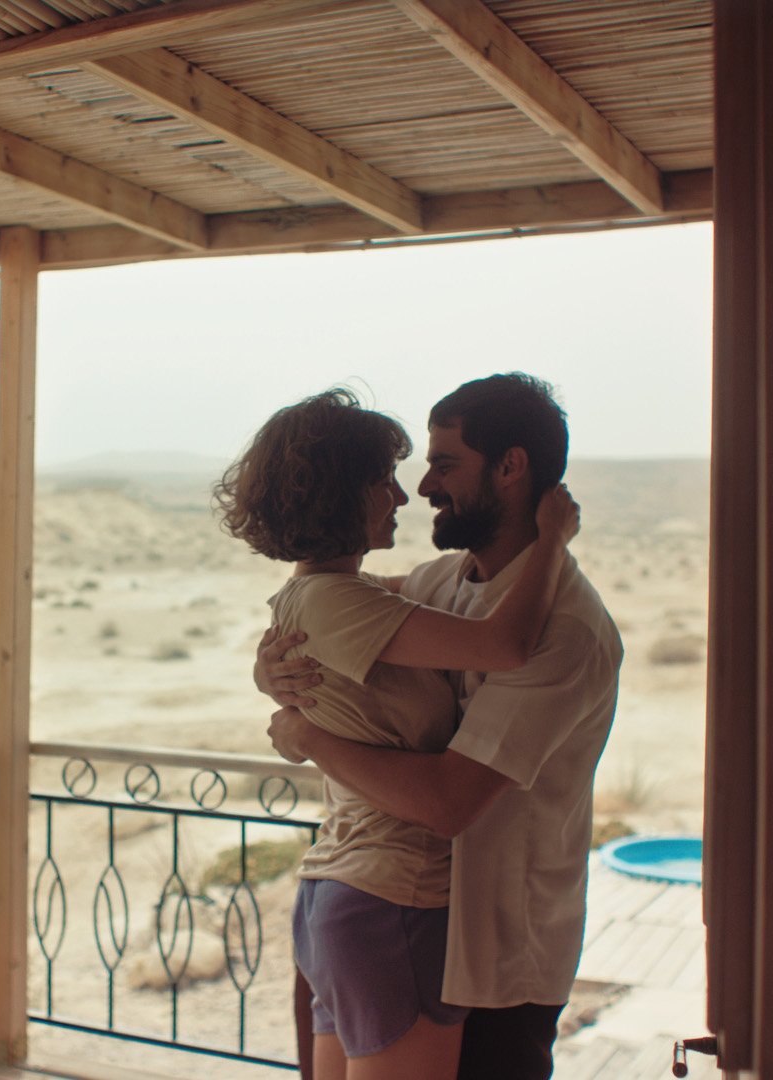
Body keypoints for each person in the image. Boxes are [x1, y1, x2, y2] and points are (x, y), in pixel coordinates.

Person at [259, 373, 623, 1080]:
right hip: (395, 915)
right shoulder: (447, 583)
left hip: (497, 962)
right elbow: (325, 608)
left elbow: (448, 802)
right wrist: (270, 664)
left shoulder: (567, 632)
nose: (422, 488)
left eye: (445, 465)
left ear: (510, 468)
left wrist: (307, 737)